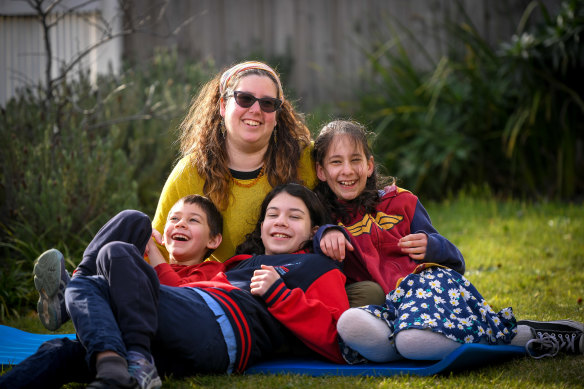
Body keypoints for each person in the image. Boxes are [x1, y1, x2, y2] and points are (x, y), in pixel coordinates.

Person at [33, 60, 317, 332]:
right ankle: (74, 293)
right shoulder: (193, 171)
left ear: (278, 114)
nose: (255, 110)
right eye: (244, 99)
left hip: (278, 287)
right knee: (132, 221)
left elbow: (346, 186)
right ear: (222, 105)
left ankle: (77, 297)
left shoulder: (303, 159)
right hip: (211, 287)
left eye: (268, 103)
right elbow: (166, 244)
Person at [0, 184, 349, 389]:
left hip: (221, 329)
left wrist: (281, 296)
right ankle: (116, 367)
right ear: (261, 227)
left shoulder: (316, 265)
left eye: (294, 216)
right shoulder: (239, 264)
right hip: (181, 329)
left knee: (115, 255)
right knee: (63, 349)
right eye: (273, 214)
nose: (280, 222)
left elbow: (340, 341)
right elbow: (180, 293)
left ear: (312, 228)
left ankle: (107, 333)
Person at [312, 120, 584, 363]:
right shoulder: (325, 219)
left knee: (412, 341)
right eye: (336, 162)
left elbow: (456, 261)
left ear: (369, 165)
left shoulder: (401, 202)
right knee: (350, 324)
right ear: (321, 171)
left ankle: (523, 334)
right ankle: (415, 342)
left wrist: (432, 246)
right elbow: (309, 256)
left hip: (428, 288)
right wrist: (325, 232)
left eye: (355, 160)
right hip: (388, 308)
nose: (347, 170)